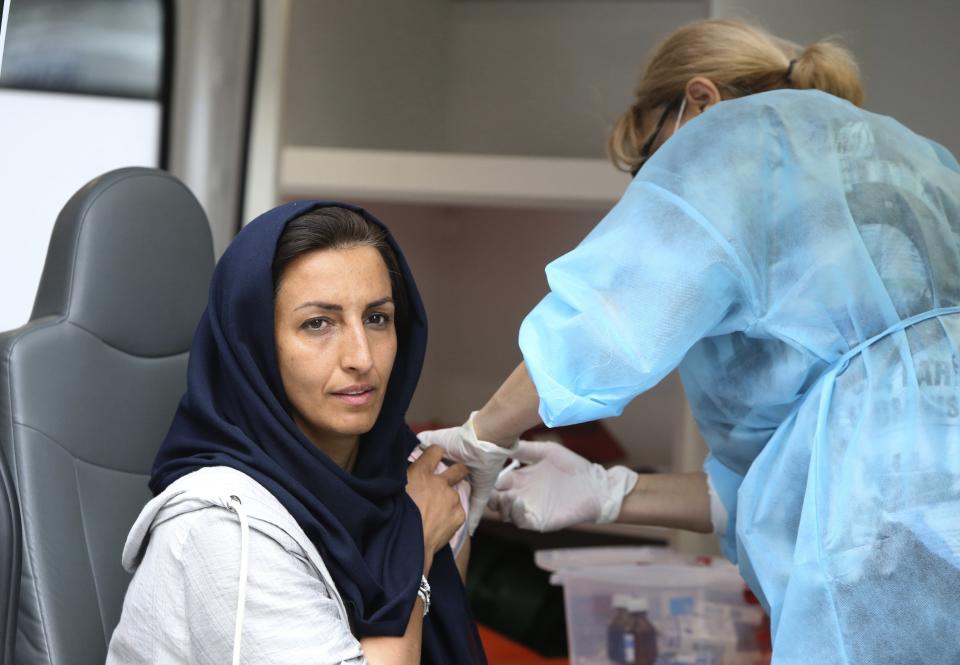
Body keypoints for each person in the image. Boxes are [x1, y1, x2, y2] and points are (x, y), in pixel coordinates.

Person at [419, 18, 960, 664]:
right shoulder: (909, 160)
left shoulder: (739, 140)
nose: (656, 201)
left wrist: (482, 433)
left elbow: (609, 313)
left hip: (888, 567)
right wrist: (610, 489)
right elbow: (779, 479)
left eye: (655, 170)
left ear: (699, 103)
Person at [107, 203, 487, 665]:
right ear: (256, 346)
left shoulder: (395, 483)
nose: (361, 357)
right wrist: (415, 550)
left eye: (376, 318)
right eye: (318, 323)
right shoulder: (226, 526)